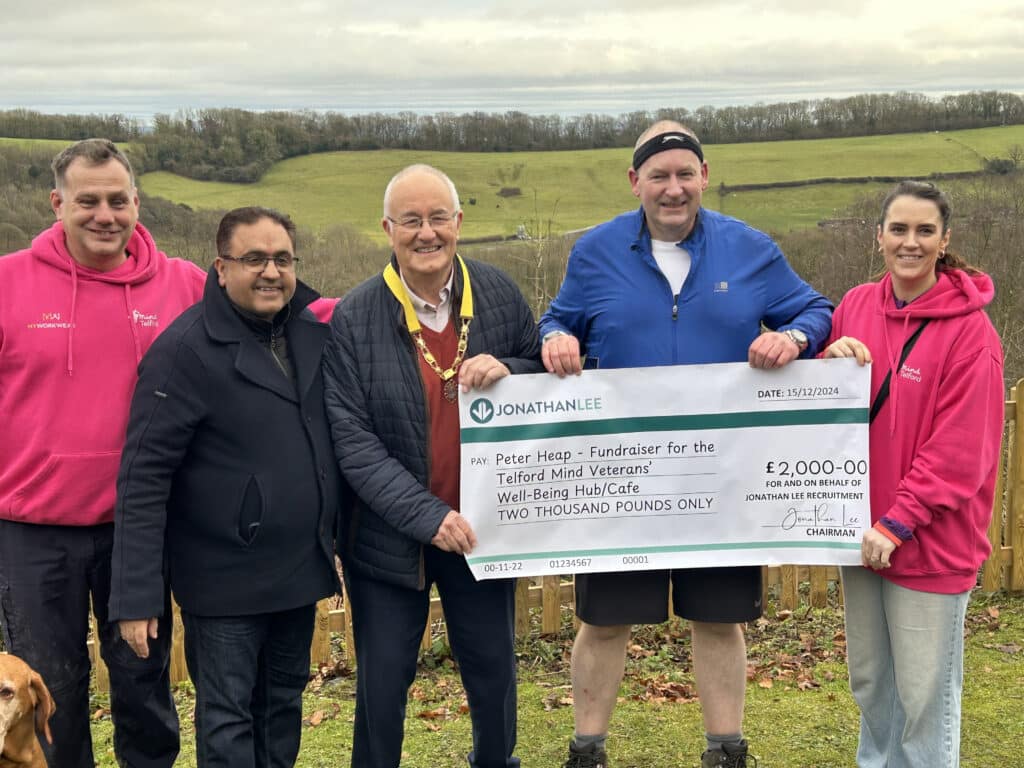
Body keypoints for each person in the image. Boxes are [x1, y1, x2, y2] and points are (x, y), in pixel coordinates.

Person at [539, 121, 833, 768]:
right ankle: (586, 750)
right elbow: (559, 317)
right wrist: (555, 337)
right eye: (658, 176)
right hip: (623, 474)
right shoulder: (595, 252)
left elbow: (816, 310)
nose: (673, 189)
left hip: (721, 479)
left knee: (719, 618)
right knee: (604, 620)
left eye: (684, 174)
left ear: (704, 176)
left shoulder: (751, 248)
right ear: (635, 181)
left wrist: (794, 338)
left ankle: (726, 751)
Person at [323, 164, 543, 768]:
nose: (427, 233)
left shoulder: (498, 293)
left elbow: (542, 376)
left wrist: (512, 369)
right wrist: (428, 517)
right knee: (383, 685)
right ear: (387, 229)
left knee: (493, 674)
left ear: (459, 223)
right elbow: (353, 442)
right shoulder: (355, 316)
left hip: (482, 531)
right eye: (411, 220)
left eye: (438, 218)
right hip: (387, 539)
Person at [108, 206, 342, 767]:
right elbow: (143, 477)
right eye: (254, 259)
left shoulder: (312, 334)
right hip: (223, 580)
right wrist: (136, 596)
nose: (271, 272)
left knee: (282, 706)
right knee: (229, 717)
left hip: (297, 567)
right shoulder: (184, 351)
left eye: (282, 259)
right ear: (220, 267)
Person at [0, 138, 206, 768]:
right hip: (31, 529)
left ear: (137, 202)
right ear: (57, 203)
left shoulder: (183, 284)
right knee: (49, 692)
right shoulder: (7, 282)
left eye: (118, 200)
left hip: (137, 528)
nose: (104, 215)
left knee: (144, 683)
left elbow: (276, 308)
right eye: (87, 201)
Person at [822, 181, 1003, 768]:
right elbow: (823, 410)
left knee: (924, 699)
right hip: (861, 537)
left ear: (944, 241)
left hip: (930, 544)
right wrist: (824, 361)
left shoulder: (971, 333)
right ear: (878, 236)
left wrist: (898, 521)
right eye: (898, 229)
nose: (910, 242)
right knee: (873, 685)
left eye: (925, 231)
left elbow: (961, 451)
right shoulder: (854, 307)